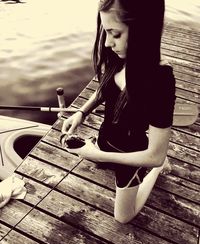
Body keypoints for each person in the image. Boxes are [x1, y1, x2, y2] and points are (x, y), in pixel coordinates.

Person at [61, 0, 176, 224]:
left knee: (123, 217)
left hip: (133, 155)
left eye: (115, 33)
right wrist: (81, 112)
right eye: (105, 32)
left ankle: (152, 172)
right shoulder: (117, 57)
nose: (106, 43)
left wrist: (97, 155)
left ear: (143, 29)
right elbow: (104, 89)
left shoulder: (161, 80)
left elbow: (155, 154)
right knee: (100, 156)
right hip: (104, 141)